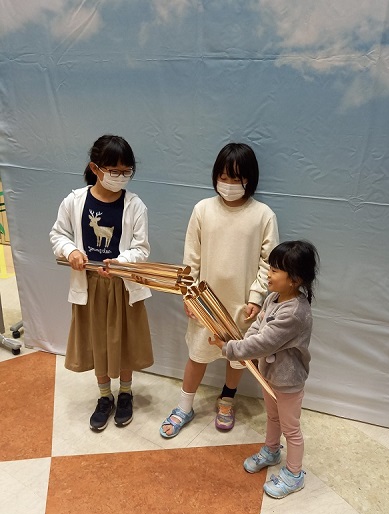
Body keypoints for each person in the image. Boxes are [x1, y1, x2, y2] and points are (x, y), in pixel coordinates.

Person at [160, 142, 279, 438]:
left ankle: (227, 400)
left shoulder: (263, 215)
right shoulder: (202, 209)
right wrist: (188, 294)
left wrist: (256, 297)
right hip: (205, 302)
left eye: (236, 178)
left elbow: (269, 262)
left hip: (242, 303)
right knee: (198, 354)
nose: (228, 185)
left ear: (249, 179)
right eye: (223, 177)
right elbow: (191, 258)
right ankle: (184, 405)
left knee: (238, 357)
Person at [50, 134, 153, 432]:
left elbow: (142, 248)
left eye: (126, 171)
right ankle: (104, 396)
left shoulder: (135, 205)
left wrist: (122, 262)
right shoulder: (74, 201)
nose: (120, 178)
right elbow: (58, 235)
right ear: (95, 169)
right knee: (98, 341)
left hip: (122, 285)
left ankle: (125, 393)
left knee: (123, 340)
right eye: (114, 171)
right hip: (90, 284)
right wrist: (70, 251)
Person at [209, 240, 319, 498]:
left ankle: (294, 474)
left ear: (295, 279)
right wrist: (239, 343)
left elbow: (264, 342)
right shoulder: (272, 298)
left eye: (275, 270)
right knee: (272, 417)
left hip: (288, 381)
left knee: (291, 428)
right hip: (269, 375)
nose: (268, 274)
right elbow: (257, 329)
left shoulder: (294, 312)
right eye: (270, 267)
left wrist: (229, 348)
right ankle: (271, 450)